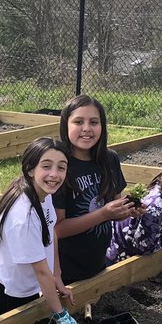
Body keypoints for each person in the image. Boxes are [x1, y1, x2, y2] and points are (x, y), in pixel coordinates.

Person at [0, 137, 81, 324]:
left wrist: (58, 276)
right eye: (46, 166)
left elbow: (51, 233)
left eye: (61, 167)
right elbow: (40, 271)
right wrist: (60, 314)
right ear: (30, 169)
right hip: (10, 292)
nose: (54, 174)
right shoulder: (24, 217)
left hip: (29, 287)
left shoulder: (44, 194)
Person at [54, 94, 140, 285]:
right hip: (65, 270)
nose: (87, 128)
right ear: (65, 125)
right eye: (78, 122)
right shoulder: (59, 166)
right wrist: (103, 214)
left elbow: (114, 210)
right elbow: (57, 229)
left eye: (94, 122)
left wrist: (128, 209)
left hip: (98, 263)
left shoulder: (109, 160)